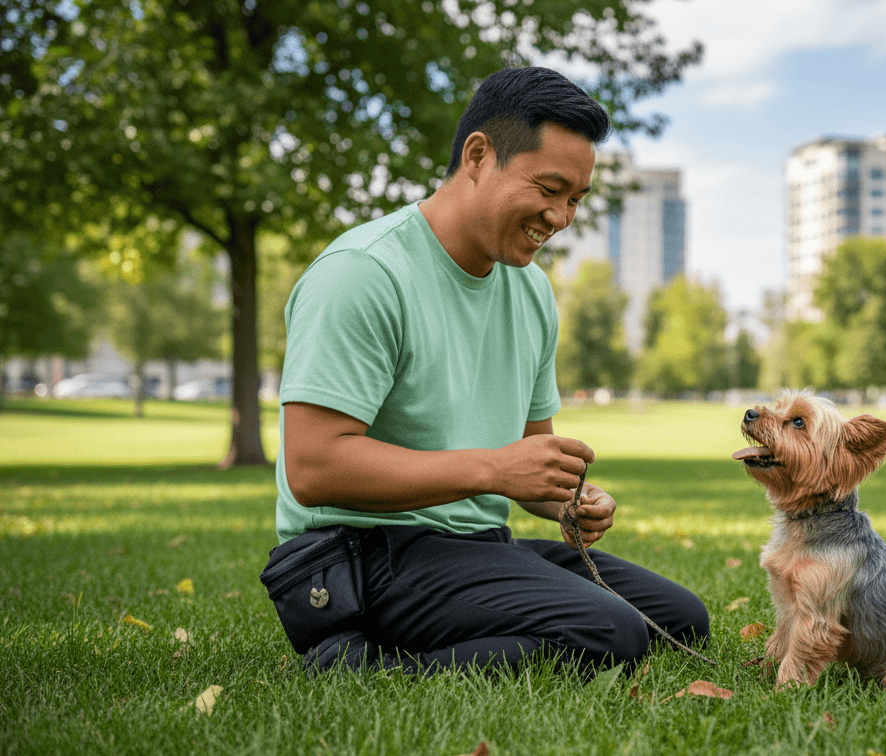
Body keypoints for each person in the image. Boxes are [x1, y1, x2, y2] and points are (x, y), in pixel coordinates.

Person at [270, 66, 709, 674]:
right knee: (610, 632)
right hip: (357, 555)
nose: (561, 218)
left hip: (474, 549)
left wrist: (567, 501)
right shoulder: (363, 273)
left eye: (575, 200)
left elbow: (533, 452)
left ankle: (440, 634)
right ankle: (358, 663)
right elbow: (313, 467)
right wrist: (494, 469)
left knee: (681, 619)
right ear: (479, 155)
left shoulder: (530, 291)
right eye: (549, 189)